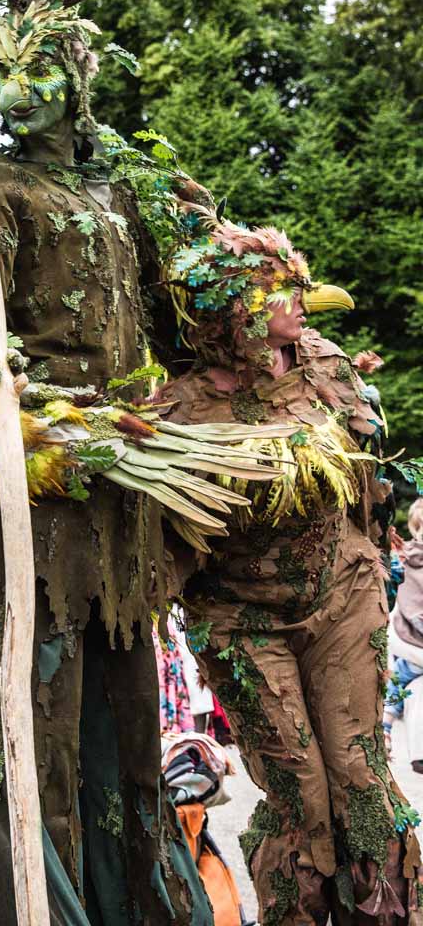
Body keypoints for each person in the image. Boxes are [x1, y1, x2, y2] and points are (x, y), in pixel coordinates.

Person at [0, 2, 212, 926]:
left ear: (81, 80)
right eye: (6, 67)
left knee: (125, 713)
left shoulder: (121, 194)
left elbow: (179, 310)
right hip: (47, 471)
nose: (21, 85)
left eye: (43, 65)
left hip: (129, 479)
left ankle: (137, 900)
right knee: (25, 700)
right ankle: (39, 898)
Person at [155, 218, 421, 925]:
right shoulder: (179, 406)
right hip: (241, 618)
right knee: (299, 793)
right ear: (233, 309)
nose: (299, 295)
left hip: (343, 594)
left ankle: (386, 916)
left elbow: (370, 475)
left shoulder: (326, 363)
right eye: (279, 287)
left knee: (362, 780)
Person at [384, 498, 423, 769]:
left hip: (407, 632)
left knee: (405, 675)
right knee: (406, 672)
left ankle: (386, 723)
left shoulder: (406, 555)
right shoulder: (408, 559)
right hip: (412, 633)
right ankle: (386, 722)